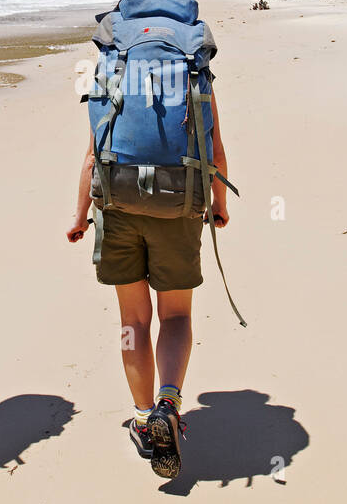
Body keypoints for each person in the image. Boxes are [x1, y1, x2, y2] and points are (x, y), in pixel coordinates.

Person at [66, 82, 230, 480]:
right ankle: (168, 404)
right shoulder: (194, 73)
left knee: (133, 322)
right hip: (178, 204)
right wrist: (219, 206)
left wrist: (78, 216)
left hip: (118, 206)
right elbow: (215, 152)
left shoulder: (112, 69)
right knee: (175, 317)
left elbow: (92, 158)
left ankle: (143, 420)